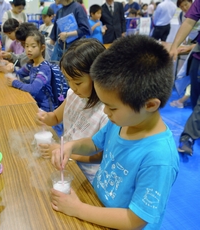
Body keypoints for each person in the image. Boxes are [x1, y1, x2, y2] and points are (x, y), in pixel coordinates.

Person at [51, 35, 179, 229]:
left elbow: (134, 220)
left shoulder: (159, 158)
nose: (104, 111)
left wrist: (78, 209)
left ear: (150, 105)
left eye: (112, 107)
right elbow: (95, 144)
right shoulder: (122, 121)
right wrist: (72, 146)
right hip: (97, 206)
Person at [35, 38, 108, 183]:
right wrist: (46, 117)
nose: (73, 87)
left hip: (87, 175)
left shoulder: (107, 111)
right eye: (68, 80)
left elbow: (98, 156)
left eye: (78, 82)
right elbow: (55, 117)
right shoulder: (74, 94)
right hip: (65, 160)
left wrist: (64, 152)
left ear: (98, 77)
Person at [170, 0, 200, 155]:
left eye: (185, 6)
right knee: (195, 99)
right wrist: (175, 46)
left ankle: (187, 137)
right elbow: (188, 23)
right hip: (197, 57)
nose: (184, 9)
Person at [6, 30, 55, 112]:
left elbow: (33, 89)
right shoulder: (31, 65)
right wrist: (12, 69)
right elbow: (19, 75)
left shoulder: (44, 68)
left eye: (33, 46)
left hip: (45, 110)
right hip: (34, 103)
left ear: (42, 48)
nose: (29, 49)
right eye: (26, 46)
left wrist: (14, 82)